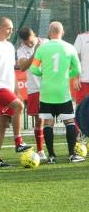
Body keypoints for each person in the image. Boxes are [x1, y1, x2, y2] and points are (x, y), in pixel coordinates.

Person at [29, 21, 84, 164]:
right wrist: (66, 75)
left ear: (49, 33)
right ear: (62, 32)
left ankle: (52, 156)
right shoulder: (69, 47)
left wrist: (45, 73)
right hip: (62, 92)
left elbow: (33, 69)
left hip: (46, 92)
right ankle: (72, 154)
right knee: (69, 121)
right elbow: (77, 70)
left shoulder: (42, 48)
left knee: (48, 123)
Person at [0, 17, 31, 167]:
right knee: (19, 106)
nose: (11, 31)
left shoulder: (10, 47)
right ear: (0, 28)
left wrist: (17, 91)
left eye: (12, 28)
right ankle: (18, 141)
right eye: (9, 28)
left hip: (9, 88)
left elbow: (11, 71)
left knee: (2, 124)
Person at [16, 27, 46, 158]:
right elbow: (23, 67)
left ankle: (71, 148)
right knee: (39, 119)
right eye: (26, 42)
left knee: (58, 117)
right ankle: (40, 150)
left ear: (34, 34)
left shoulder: (46, 42)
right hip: (35, 89)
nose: (29, 44)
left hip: (50, 87)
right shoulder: (21, 50)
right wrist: (35, 52)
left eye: (31, 41)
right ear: (22, 41)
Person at [73, 29, 89, 110]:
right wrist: (76, 77)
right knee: (81, 109)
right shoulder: (81, 37)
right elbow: (75, 58)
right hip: (83, 81)